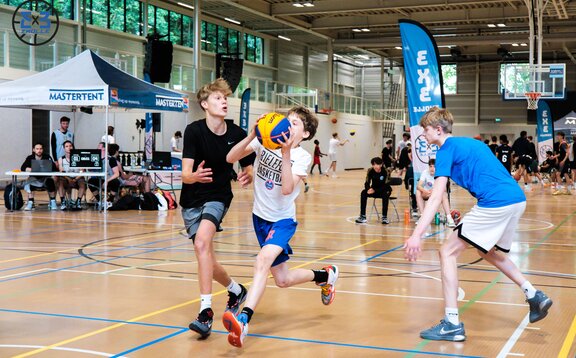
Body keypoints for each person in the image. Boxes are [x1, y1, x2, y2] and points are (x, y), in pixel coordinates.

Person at [404, 107, 552, 342]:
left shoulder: (445, 151)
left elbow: (435, 196)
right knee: (489, 252)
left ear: (439, 129)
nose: (423, 133)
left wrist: (417, 234)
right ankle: (534, 294)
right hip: (515, 200)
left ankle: (452, 323)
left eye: (426, 129)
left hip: (495, 202)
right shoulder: (474, 144)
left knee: (447, 252)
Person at [223, 106, 339, 348]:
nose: (289, 124)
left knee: (262, 261)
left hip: (283, 221)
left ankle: (244, 319)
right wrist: (252, 134)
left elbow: (287, 189)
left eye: (295, 123)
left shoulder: (302, 157)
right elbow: (230, 158)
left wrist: (286, 153)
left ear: (305, 134)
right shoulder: (265, 142)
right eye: (289, 119)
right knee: (283, 280)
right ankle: (325, 275)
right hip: (259, 218)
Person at [180, 78, 255, 339]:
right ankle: (235, 290)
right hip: (191, 199)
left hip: (218, 196)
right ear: (204, 104)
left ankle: (205, 312)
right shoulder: (194, 131)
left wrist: (248, 175)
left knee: (201, 244)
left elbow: (248, 164)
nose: (224, 102)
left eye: (225, 98)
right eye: (218, 98)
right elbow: (185, 175)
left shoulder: (236, 133)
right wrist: (194, 177)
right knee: (207, 259)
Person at [415, 158, 455, 228]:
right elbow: (418, 186)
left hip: (437, 194)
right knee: (418, 192)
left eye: (434, 166)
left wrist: (434, 191)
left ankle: (449, 218)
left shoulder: (441, 174)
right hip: (427, 193)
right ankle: (422, 217)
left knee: (444, 195)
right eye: (430, 166)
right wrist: (426, 191)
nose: (432, 168)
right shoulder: (425, 172)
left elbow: (445, 189)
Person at [21, 143, 58, 211]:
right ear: (34, 150)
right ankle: (30, 202)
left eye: (40, 149)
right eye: (37, 149)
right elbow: (22, 167)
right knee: (29, 181)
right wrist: (30, 169)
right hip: (34, 178)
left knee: (51, 181)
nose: (39, 150)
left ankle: (52, 201)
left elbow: (55, 168)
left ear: (42, 150)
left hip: (45, 178)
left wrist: (49, 168)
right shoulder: (30, 158)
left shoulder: (47, 157)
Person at [354, 157, 392, 224]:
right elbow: (367, 182)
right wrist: (368, 189)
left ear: (381, 164)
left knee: (385, 195)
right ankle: (363, 216)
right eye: (373, 164)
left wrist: (375, 191)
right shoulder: (370, 170)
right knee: (363, 193)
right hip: (373, 189)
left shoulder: (386, 171)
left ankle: (384, 217)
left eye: (377, 164)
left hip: (384, 189)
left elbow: (386, 185)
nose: (375, 166)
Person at [57, 140, 86, 210]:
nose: (69, 148)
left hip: (77, 177)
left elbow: (82, 170)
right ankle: (63, 202)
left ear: (73, 147)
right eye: (66, 146)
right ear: (64, 148)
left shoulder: (79, 157)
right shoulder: (61, 159)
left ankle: (78, 202)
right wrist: (68, 178)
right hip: (66, 178)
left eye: (70, 146)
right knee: (60, 182)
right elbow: (61, 171)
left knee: (82, 183)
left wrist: (76, 178)